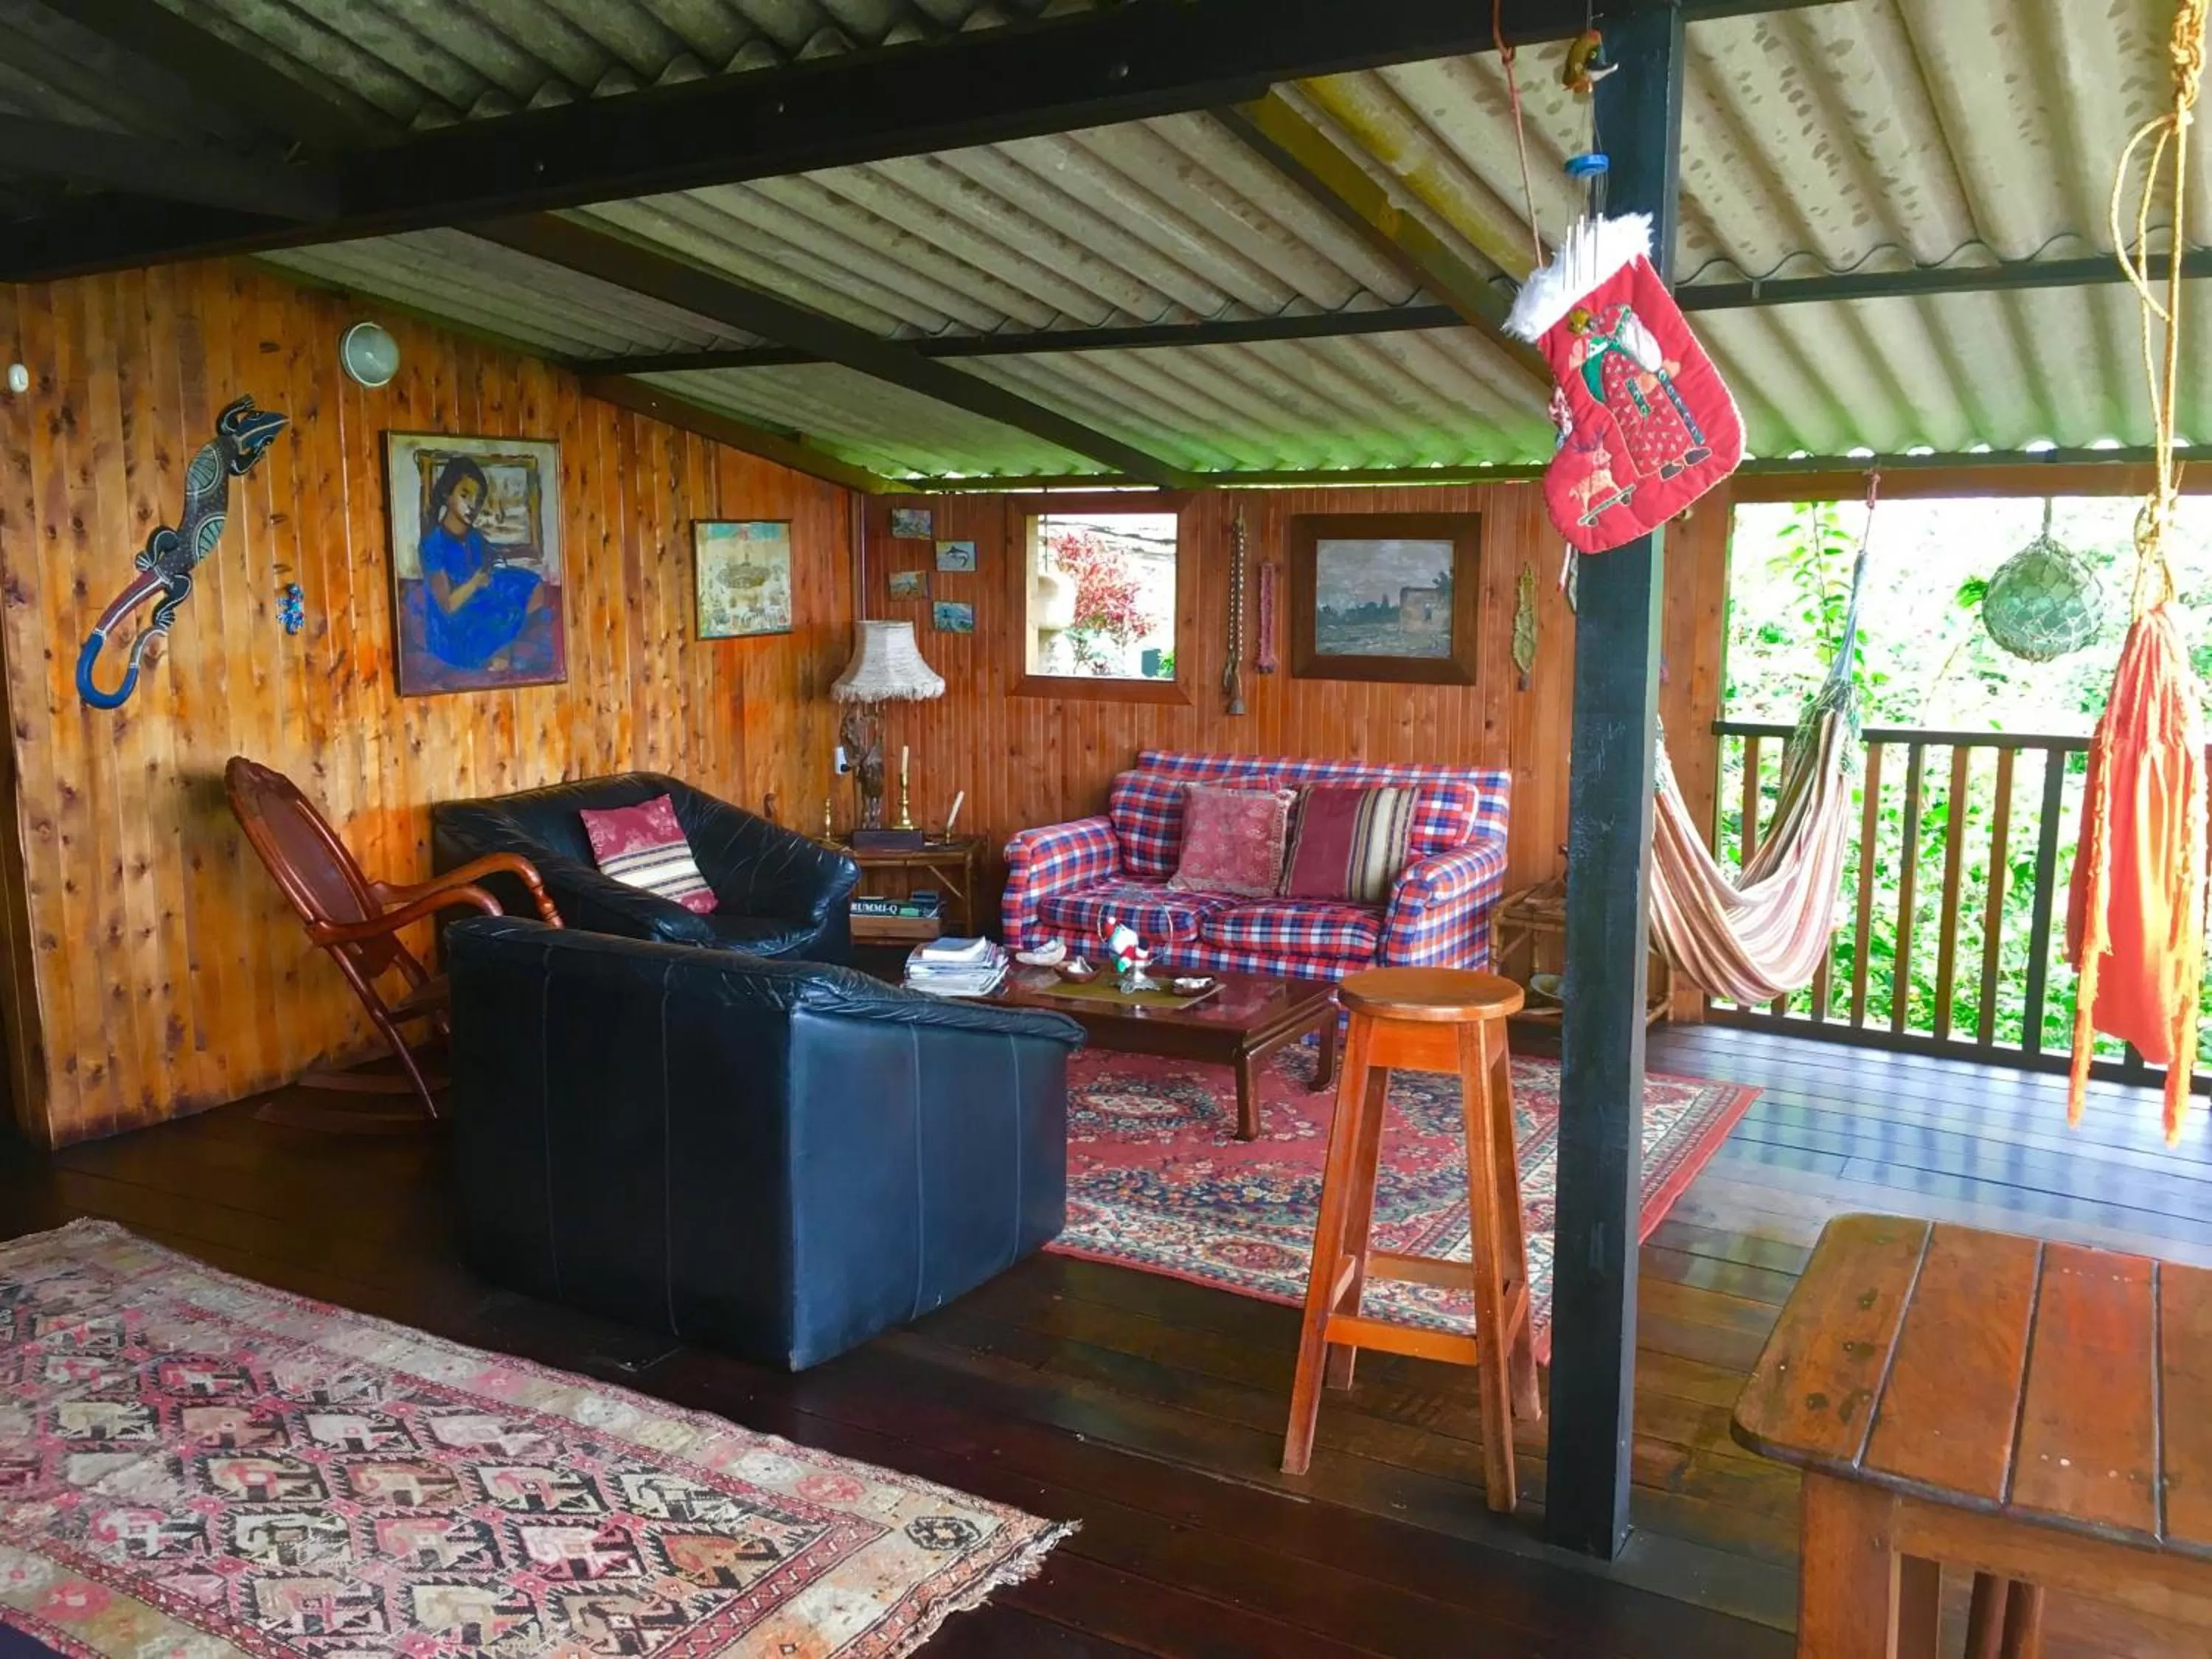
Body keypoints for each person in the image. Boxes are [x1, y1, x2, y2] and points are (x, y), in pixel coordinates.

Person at [417, 456, 548, 671]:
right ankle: (495, 656)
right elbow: (448, 606)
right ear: (447, 494)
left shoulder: (474, 538)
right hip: (451, 630)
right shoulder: (434, 544)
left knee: (530, 585)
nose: (473, 505)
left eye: (478, 500)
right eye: (465, 495)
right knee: (501, 616)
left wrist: (495, 570)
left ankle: (504, 651)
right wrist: (476, 582)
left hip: (477, 606)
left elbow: (492, 561)